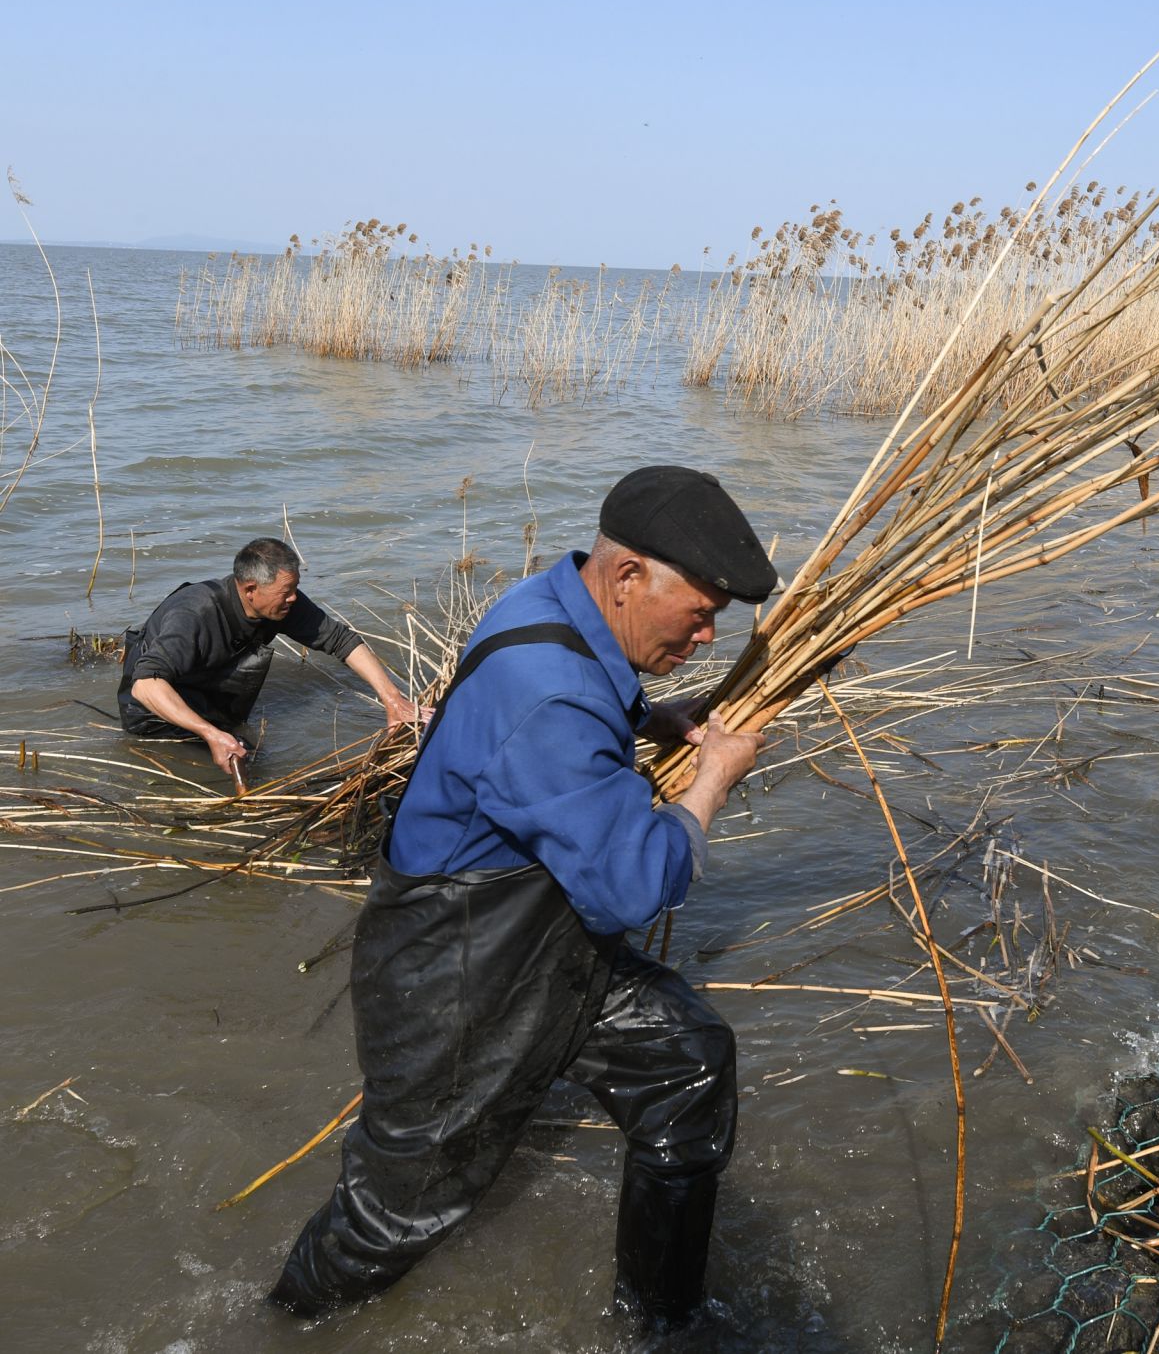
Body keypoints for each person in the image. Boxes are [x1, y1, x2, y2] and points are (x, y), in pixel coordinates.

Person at [270, 466, 776, 1334]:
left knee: (687, 1063)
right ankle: (276, 1329)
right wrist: (711, 785)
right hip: (453, 976)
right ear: (627, 576)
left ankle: (661, 1325)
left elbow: (565, 716)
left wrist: (645, 717)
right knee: (396, 1214)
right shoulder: (552, 695)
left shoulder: (550, 604)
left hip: (534, 941)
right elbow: (634, 884)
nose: (703, 639)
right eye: (697, 616)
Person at [118, 538, 419, 772]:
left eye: (296, 588)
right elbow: (146, 685)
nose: (294, 598)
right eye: (287, 590)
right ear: (251, 589)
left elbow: (341, 640)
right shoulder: (194, 613)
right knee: (249, 759)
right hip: (153, 713)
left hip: (206, 695)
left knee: (242, 748)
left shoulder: (281, 603)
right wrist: (210, 733)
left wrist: (392, 699)